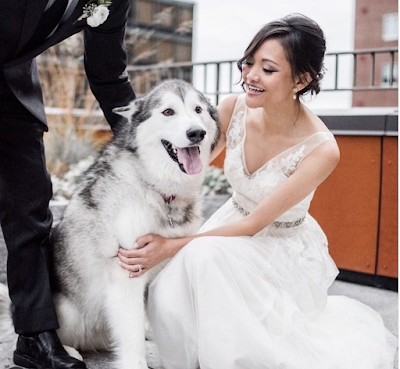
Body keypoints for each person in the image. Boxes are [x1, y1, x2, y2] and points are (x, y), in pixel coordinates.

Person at [118, 13, 398, 369]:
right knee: (185, 274)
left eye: (267, 69)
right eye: (249, 63)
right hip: (229, 223)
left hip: (276, 245)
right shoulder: (232, 109)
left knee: (201, 256)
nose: (250, 76)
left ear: (302, 79)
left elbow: (254, 226)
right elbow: (185, 168)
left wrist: (169, 248)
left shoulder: (322, 149)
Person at [0, 1, 135, 368]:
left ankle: (36, 337)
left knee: (31, 214)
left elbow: (108, 73)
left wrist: (140, 135)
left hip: (12, 93)